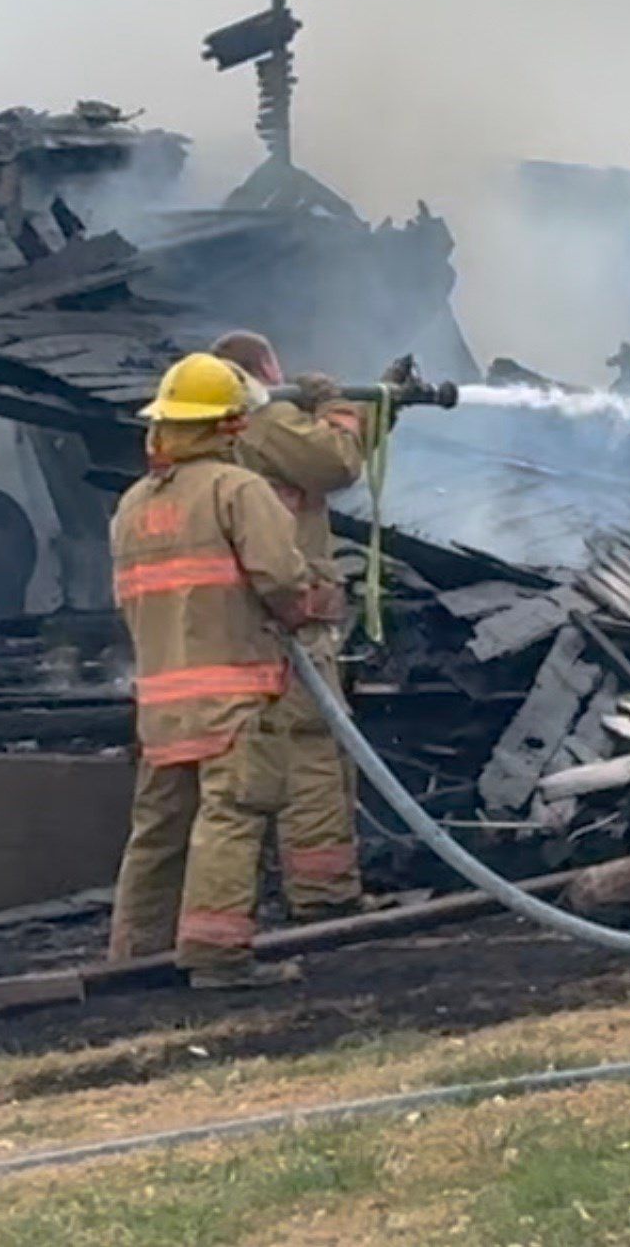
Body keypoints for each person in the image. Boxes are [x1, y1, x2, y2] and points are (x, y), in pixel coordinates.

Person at [107, 352, 345, 989]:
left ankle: (134, 958)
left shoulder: (133, 506)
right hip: (236, 694)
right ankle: (216, 958)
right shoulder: (237, 490)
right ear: (229, 426)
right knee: (231, 816)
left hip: (161, 703)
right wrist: (312, 609)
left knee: (157, 831)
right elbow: (281, 578)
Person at [209, 329, 371, 921]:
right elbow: (333, 462)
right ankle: (323, 895)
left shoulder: (208, 440)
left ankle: (240, 898)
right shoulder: (261, 420)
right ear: (259, 372)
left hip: (229, 626)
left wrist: (379, 413)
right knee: (313, 751)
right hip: (286, 625)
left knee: (247, 764)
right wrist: (336, 408)